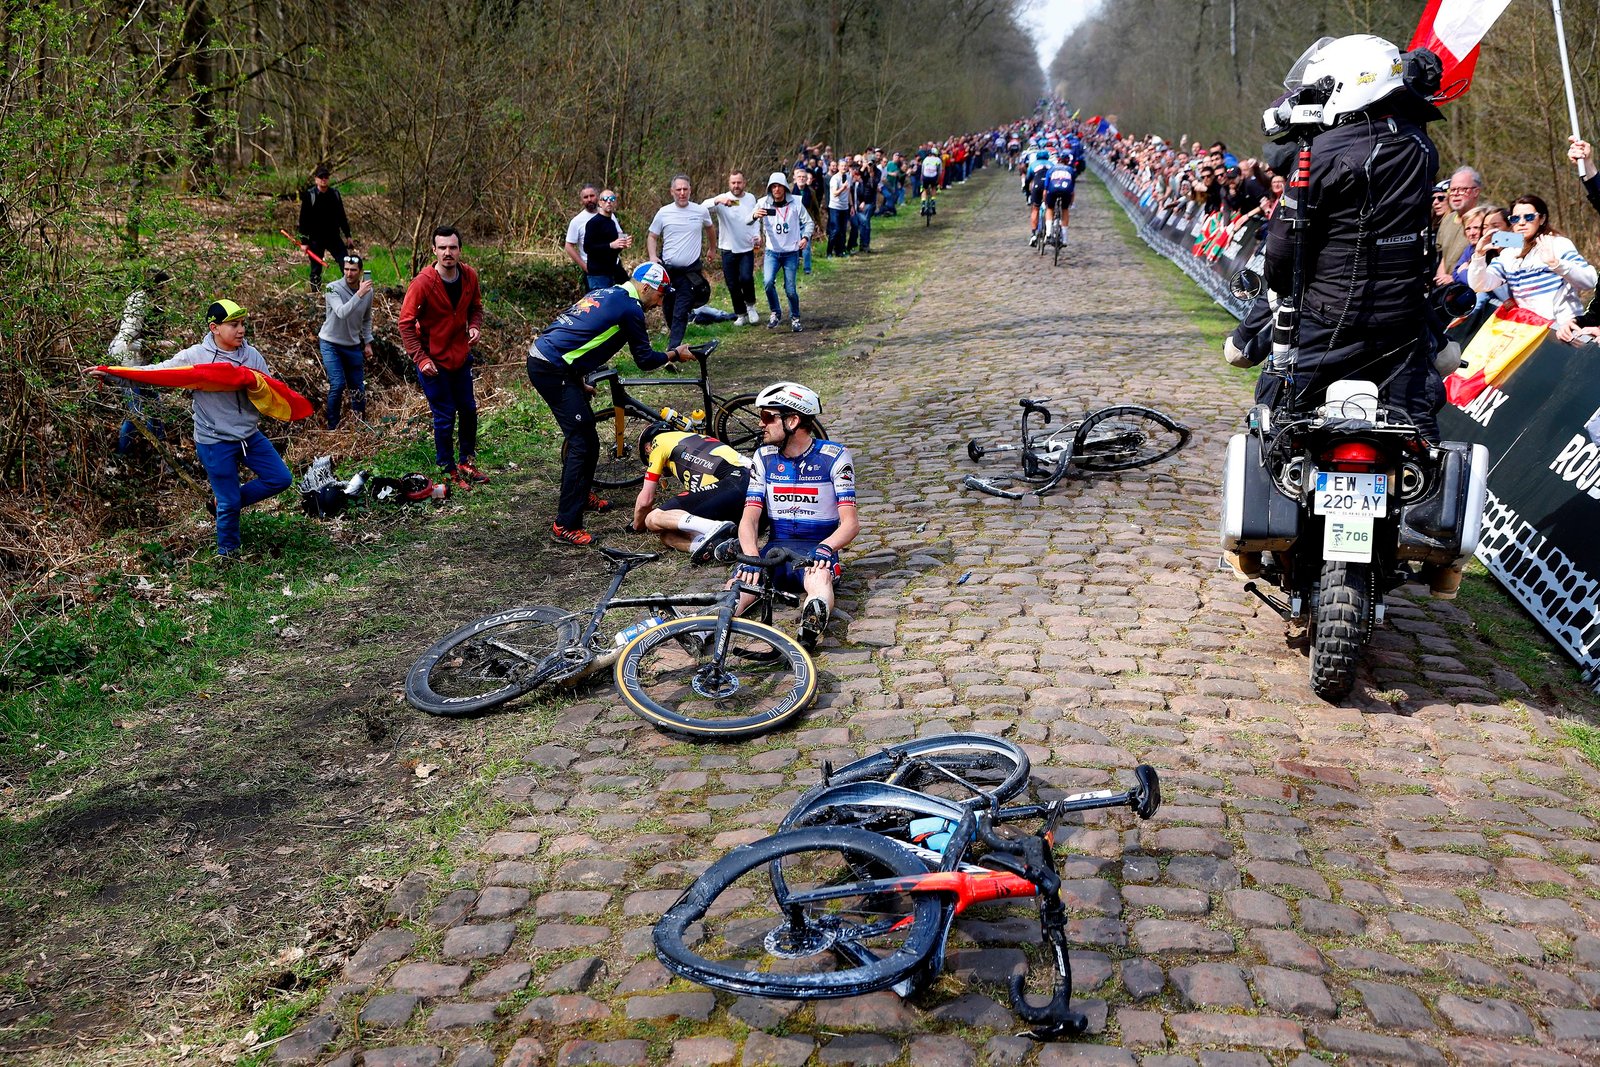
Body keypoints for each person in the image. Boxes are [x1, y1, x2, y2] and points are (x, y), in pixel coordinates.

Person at [91, 301, 292, 558]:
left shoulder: (251, 355)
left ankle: (222, 503)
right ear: (214, 328)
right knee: (230, 503)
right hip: (214, 441)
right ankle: (228, 556)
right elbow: (158, 372)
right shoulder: (196, 357)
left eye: (242, 324)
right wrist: (111, 375)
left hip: (249, 436)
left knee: (280, 479)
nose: (241, 330)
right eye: (234, 325)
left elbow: (270, 388)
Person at [527, 263, 696, 547]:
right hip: (550, 367)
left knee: (586, 436)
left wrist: (579, 381)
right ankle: (565, 524)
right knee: (583, 442)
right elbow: (644, 360)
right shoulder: (630, 309)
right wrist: (674, 355)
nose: (661, 300)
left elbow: (581, 336)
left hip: (553, 360)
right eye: (661, 293)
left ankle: (581, 495)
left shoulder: (606, 292)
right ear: (646, 287)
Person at [733, 382, 857, 650]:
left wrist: (826, 548)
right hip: (774, 551)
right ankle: (703, 630)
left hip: (814, 550)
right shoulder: (763, 456)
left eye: (767, 417)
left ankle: (810, 627)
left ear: (792, 420)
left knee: (819, 578)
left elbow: (850, 523)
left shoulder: (834, 457)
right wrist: (752, 557)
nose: (761, 424)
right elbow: (749, 519)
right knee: (738, 586)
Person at [399, 226, 488, 491]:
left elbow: (476, 308)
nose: (448, 253)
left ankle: (466, 462)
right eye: (442, 248)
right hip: (432, 363)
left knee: (469, 410)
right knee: (445, 415)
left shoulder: (469, 276)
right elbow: (405, 323)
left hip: (460, 357)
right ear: (434, 251)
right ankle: (447, 468)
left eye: (452, 247)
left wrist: (474, 326)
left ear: (460, 250)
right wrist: (420, 358)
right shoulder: (423, 283)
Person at [1466, 194, 1596, 326]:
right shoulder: (1508, 254)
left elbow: (1590, 281)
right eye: (1515, 218)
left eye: (1529, 217)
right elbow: (1480, 285)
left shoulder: (1558, 244)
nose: (1521, 223)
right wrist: (1478, 256)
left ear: (1542, 219)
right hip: (1529, 329)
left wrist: (1557, 264)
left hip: (1562, 329)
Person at [631, 424, 748, 562]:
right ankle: (712, 547)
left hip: (736, 479)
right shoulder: (691, 441)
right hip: (744, 492)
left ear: (647, 448)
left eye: (647, 458)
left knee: (653, 518)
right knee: (667, 535)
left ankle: (714, 528)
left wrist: (636, 525)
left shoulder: (659, 442)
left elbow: (645, 501)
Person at [647, 175, 714, 349]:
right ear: (672, 192)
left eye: (685, 189)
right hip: (668, 272)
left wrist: (712, 249)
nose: (682, 193)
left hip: (689, 273)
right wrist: (653, 257)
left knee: (681, 311)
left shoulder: (700, 211)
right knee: (669, 309)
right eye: (678, 190)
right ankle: (676, 340)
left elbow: (710, 228)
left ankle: (673, 350)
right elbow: (652, 236)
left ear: (690, 190)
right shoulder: (663, 212)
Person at [752, 171, 814, 332]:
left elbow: (809, 223)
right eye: (773, 186)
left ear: (785, 187)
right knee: (767, 282)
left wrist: (805, 238)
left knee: (790, 289)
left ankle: (795, 318)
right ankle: (775, 312)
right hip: (772, 252)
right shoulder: (763, 203)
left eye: (779, 186)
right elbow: (747, 220)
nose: (777, 189)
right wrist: (753, 215)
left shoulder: (796, 203)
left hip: (791, 253)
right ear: (769, 189)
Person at [318, 253, 374, 429]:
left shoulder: (368, 292)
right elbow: (342, 312)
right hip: (331, 343)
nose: (349, 274)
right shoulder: (331, 288)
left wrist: (368, 342)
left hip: (352, 345)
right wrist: (359, 293)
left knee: (357, 386)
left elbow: (366, 319)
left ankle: (360, 424)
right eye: (346, 269)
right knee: (338, 383)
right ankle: (332, 427)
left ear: (360, 271)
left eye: (353, 270)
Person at [702, 171, 761, 325]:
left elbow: (756, 219)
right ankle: (741, 313)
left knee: (746, 278)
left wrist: (757, 236)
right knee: (732, 283)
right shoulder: (723, 200)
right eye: (733, 183)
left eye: (739, 182)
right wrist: (717, 200)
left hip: (746, 247)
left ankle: (751, 306)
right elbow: (702, 208)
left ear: (744, 183)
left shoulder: (750, 198)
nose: (736, 186)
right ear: (729, 184)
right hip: (727, 248)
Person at [297, 165, 351, 289]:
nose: (323, 179)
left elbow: (342, 216)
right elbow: (303, 220)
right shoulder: (310, 196)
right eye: (321, 177)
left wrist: (348, 235)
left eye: (326, 177)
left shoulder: (335, 195)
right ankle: (315, 293)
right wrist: (304, 242)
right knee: (316, 269)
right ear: (316, 179)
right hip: (315, 239)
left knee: (345, 262)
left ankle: (349, 289)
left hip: (333, 237)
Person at [1435, 166, 1483, 284]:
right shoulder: (1447, 220)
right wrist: (1441, 278)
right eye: (1452, 189)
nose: (1455, 194)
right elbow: (1444, 257)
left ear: (1476, 191)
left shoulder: (1485, 219)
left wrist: (1454, 278)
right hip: (1447, 290)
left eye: (1462, 189)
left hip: (1472, 289)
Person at [582, 189, 630, 292]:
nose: (609, 202)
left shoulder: (612, 223)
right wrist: (610, 245)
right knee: (599, 306)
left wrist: (621, 245)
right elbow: (588, 248)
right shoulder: (593, 223)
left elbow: (612, 251)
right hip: (598, 276)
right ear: (600, 203)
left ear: (615, 203)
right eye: (605, 199)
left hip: (611, 273)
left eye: (612, 199)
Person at [563, 184, 600, 279]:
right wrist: (585, 266)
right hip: (593, 271)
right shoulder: (577, 221)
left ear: (597, 197)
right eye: (585, 197)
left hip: (613, 267)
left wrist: (624, 241)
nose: (589, 199)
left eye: (592, 196)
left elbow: (619, 233)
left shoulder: (608, 214)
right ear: (581, 201)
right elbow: (568, 246)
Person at [827, 161, 853, 257]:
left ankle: (840, 251)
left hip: (845, 207)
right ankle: (829, 252)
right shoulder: (834, 179)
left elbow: (849, 192)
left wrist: (852, 206)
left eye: (845, 166)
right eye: (842, 166)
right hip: (835, 207)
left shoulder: (849, 177)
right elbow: (834, 193)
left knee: (843, 230)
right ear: (838, 167)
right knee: (835, 230)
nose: (844, 168)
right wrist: (843, 187)